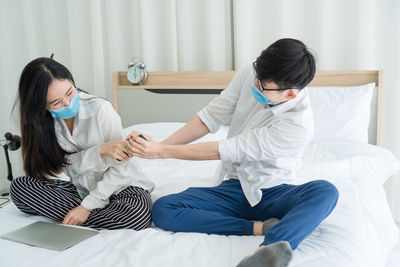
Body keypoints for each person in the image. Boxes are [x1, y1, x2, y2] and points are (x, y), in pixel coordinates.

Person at [126, 38, 339, 266]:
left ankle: (269, 251)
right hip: (234, 188)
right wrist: (159, 146)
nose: (255, 85)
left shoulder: (297, 126)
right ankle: (259, 227)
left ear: (289, 95)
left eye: (263, 87)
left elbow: (227, 150)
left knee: (325, 192)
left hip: (274, 191)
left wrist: (162, 152)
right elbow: (211, 117)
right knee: (164, 209)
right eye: (256, 79)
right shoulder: (253, 73)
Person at [10, 57, 154, 230]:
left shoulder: (101, 110)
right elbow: (62, 168)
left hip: (122, 188)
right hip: (82, 190)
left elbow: (121, 169)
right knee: (20, 187)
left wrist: (86, 207)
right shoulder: (44, 125)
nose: (67, 103)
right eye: (56, 103)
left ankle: (80, 215)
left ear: (72, 82)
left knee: (135, 218)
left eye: (70, 92)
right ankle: (93, 216)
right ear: (41, 106)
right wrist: (99, 152)